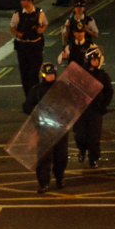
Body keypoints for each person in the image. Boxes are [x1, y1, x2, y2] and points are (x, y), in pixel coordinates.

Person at [23, 63, 67, 192]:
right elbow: (26, 107)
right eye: (48, 74)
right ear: (43, 75)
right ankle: (43, 183)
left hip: (60, 128)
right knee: (44, 157)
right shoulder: (36, 90)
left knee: (61, 156)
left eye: (52, 74)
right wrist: (38, 110)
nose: (50, 76)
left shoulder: (62, 88)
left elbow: (71, 104)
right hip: (44, 129)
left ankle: (60, 178)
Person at [74, 47, 114, 169]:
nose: (96, 62)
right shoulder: (80, 74)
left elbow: (109, 91)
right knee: (80, 135)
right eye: (94, 60)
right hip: (81, 110)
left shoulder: (102, 75)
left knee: (94, 136)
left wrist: (104, 105)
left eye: (97, 60)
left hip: (95, 110)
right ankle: (82, 150)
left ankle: (93, 158)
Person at [10, 0, 49, 97]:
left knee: (33, 74)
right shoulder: (17, 14)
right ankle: (28, 97)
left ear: (30, 0)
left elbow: (45, 23)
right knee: (24, 74)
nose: (21, 2)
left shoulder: (39, 13)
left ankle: (35, 96)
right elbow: (12, 26)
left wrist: (41, 30)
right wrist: (17, 33)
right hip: (22, 47)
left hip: (35, 46)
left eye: (23, 0)